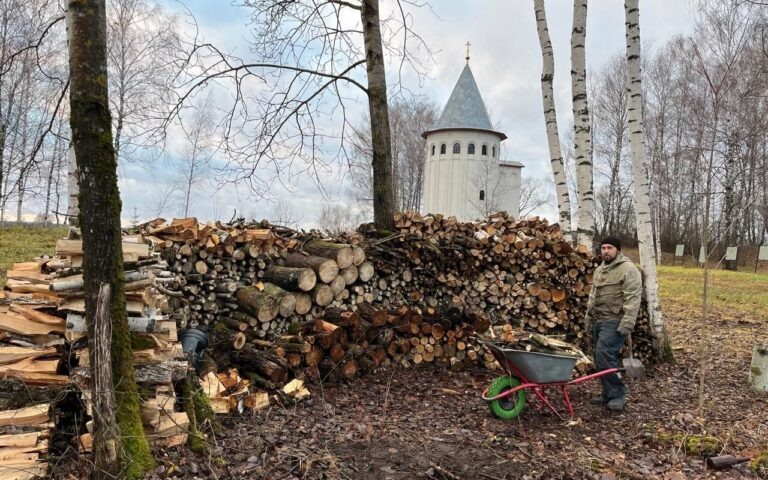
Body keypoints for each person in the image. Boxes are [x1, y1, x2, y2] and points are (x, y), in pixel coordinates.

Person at [584, 236, 642, 411]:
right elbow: (593, 296)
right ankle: (608, 394)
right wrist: (588, 317)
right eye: (603, 248)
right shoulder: (600, 270)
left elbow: (633, 298)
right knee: (602, 358)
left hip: (615, 320)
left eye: (609, 248)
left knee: (603, 354)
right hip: (599, 319)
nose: (605, 251)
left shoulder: (628, 269)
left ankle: (618, 395)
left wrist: (628, 322)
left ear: (617, 250)